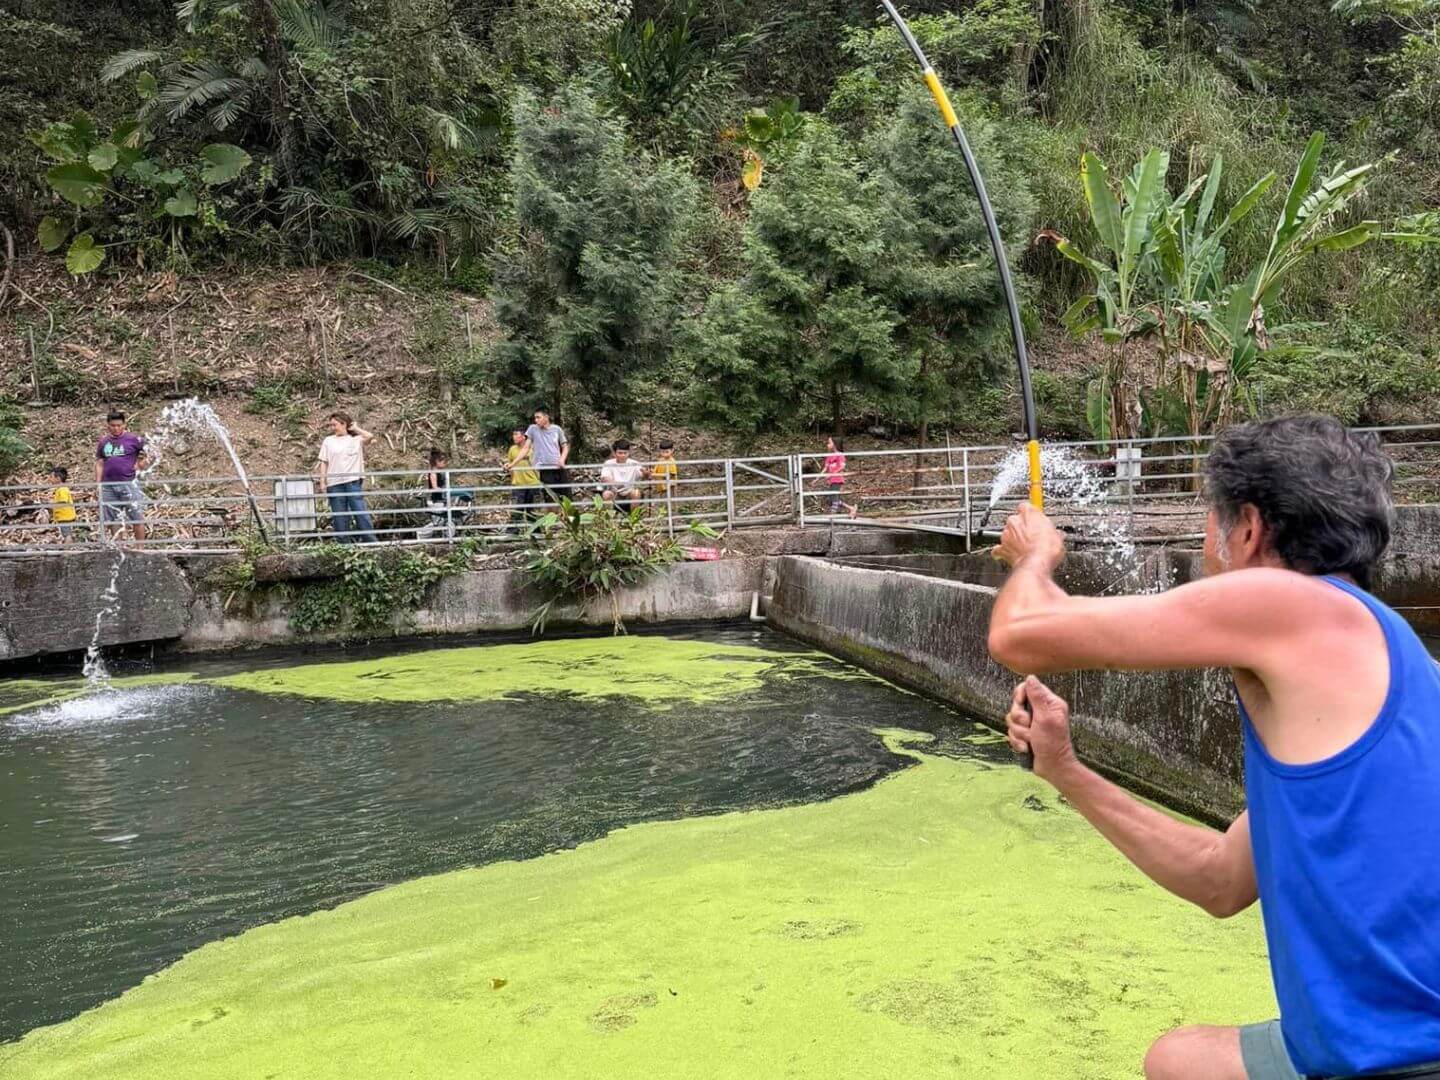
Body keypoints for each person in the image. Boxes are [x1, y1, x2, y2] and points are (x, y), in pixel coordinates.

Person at [987, 415, 1440, 1080]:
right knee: (1177, 1061)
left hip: (1402, 1061)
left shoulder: (1292, 603)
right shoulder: (1392, 667)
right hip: (1366, 1049)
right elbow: (1220, 879)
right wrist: (1065, 768)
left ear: (1248, 530)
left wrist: (1035, 557)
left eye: (1209, 521)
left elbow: (1019, 633)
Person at [317, 411, 378, 544]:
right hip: (334, 483)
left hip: (352, 481)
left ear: (344, 424)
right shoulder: (328, 441)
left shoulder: (355, 440)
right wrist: (322, 481)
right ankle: (343, 544)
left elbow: (370, 436)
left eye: (335, 424)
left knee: (359, 511)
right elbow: (324, 462)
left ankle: (371, 541)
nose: (333, 428)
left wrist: (355, 428)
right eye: (331, 425)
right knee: (339, 515)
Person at [95, 410, 148, 543]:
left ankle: (140, 547)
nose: (116, 428)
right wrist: (98, 484)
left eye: (119, 425)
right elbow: (100, 463)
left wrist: (141, 465)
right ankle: (119, 548)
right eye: (113, 425)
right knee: (113, 519)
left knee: (136, 516)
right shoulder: (104, 442)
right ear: (108, 426)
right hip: (108, 485)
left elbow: (152, 451)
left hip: (128, 483)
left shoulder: (133, 439)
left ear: (124, 425)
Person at [515, 408, 569, 506]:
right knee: (550, 498)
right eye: (535, 418)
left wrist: (562, 459)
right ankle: (552, 520)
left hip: (559, 467)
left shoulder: (557, 429)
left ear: (546, 417)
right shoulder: (533, 429)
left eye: (538, 417)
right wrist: (512, 464)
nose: (536, 420)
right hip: (545, 468)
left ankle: (569, 520)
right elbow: (525, 448)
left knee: (566, 497)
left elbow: (565, 446)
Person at [417, 447, 472, 539]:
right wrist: (445, 490)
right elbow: (435, 488)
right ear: (437, 462)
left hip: (441, 500)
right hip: (436, 501)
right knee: (439, 521)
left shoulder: (439, 473)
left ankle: (429, 535)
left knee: (442, 520)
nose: (445, 464)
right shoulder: (433, 473)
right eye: (443, 462)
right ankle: (422, 534)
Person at [505, 426, 542, 526]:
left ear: (523, 437)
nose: (514, 437)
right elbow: (510, 464)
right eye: (513, 435)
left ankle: (536, 531)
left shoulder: (532, 449)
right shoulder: (512, 449)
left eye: (516, 435)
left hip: (533, 483)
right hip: (518, 484)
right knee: (517, 509)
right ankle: (514, 531)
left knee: (533, 510)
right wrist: (513, 480)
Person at [599, 439, 644, 513]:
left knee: (636, 493)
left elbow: (643, 475)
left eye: (625, 453)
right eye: (620, 453)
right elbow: (605, 478)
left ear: (629, 453)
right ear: (614, 453)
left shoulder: (634, 463)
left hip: (629, 492)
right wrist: (617, 485)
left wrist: (646, 473)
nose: (623, 455)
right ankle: (610, 520)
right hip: (614, 492)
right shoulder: (609, 463)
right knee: (606, 494)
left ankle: (633, 519)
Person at [822, 436, 856, 518]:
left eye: (829, 443)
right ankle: (851, 508)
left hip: (837, 479)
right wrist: (816, 479)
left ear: (835, 444)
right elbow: (825, 468)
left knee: (834, 499)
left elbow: (842, 467)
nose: (827, 445)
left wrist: (832, 474)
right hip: (831, 480)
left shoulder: (840, 455)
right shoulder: (829, 456)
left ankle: (832, 517)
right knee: (831, 500)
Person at [49, 465, 76, 542]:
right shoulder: (60, 489)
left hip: (65, 517)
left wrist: (51, 504)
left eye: (51, 477)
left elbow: (63, 501)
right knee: (66, 534)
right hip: (64, 516)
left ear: (58, 479)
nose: (49, 479)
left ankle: (67, 551)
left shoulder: (62, 489)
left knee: (67, 534)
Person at [650, 439, 679, 507]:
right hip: (661, 484)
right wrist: (651, 472)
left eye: (667, 452)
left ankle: (673, 511)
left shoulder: (671, 461)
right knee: (662, 498)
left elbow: (672, 474)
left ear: (672, 451)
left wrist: (657, 475)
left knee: (670, 499)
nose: (664, 454)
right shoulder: (660, 460)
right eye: (663, 452)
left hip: (669, 485)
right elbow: (655, 470)